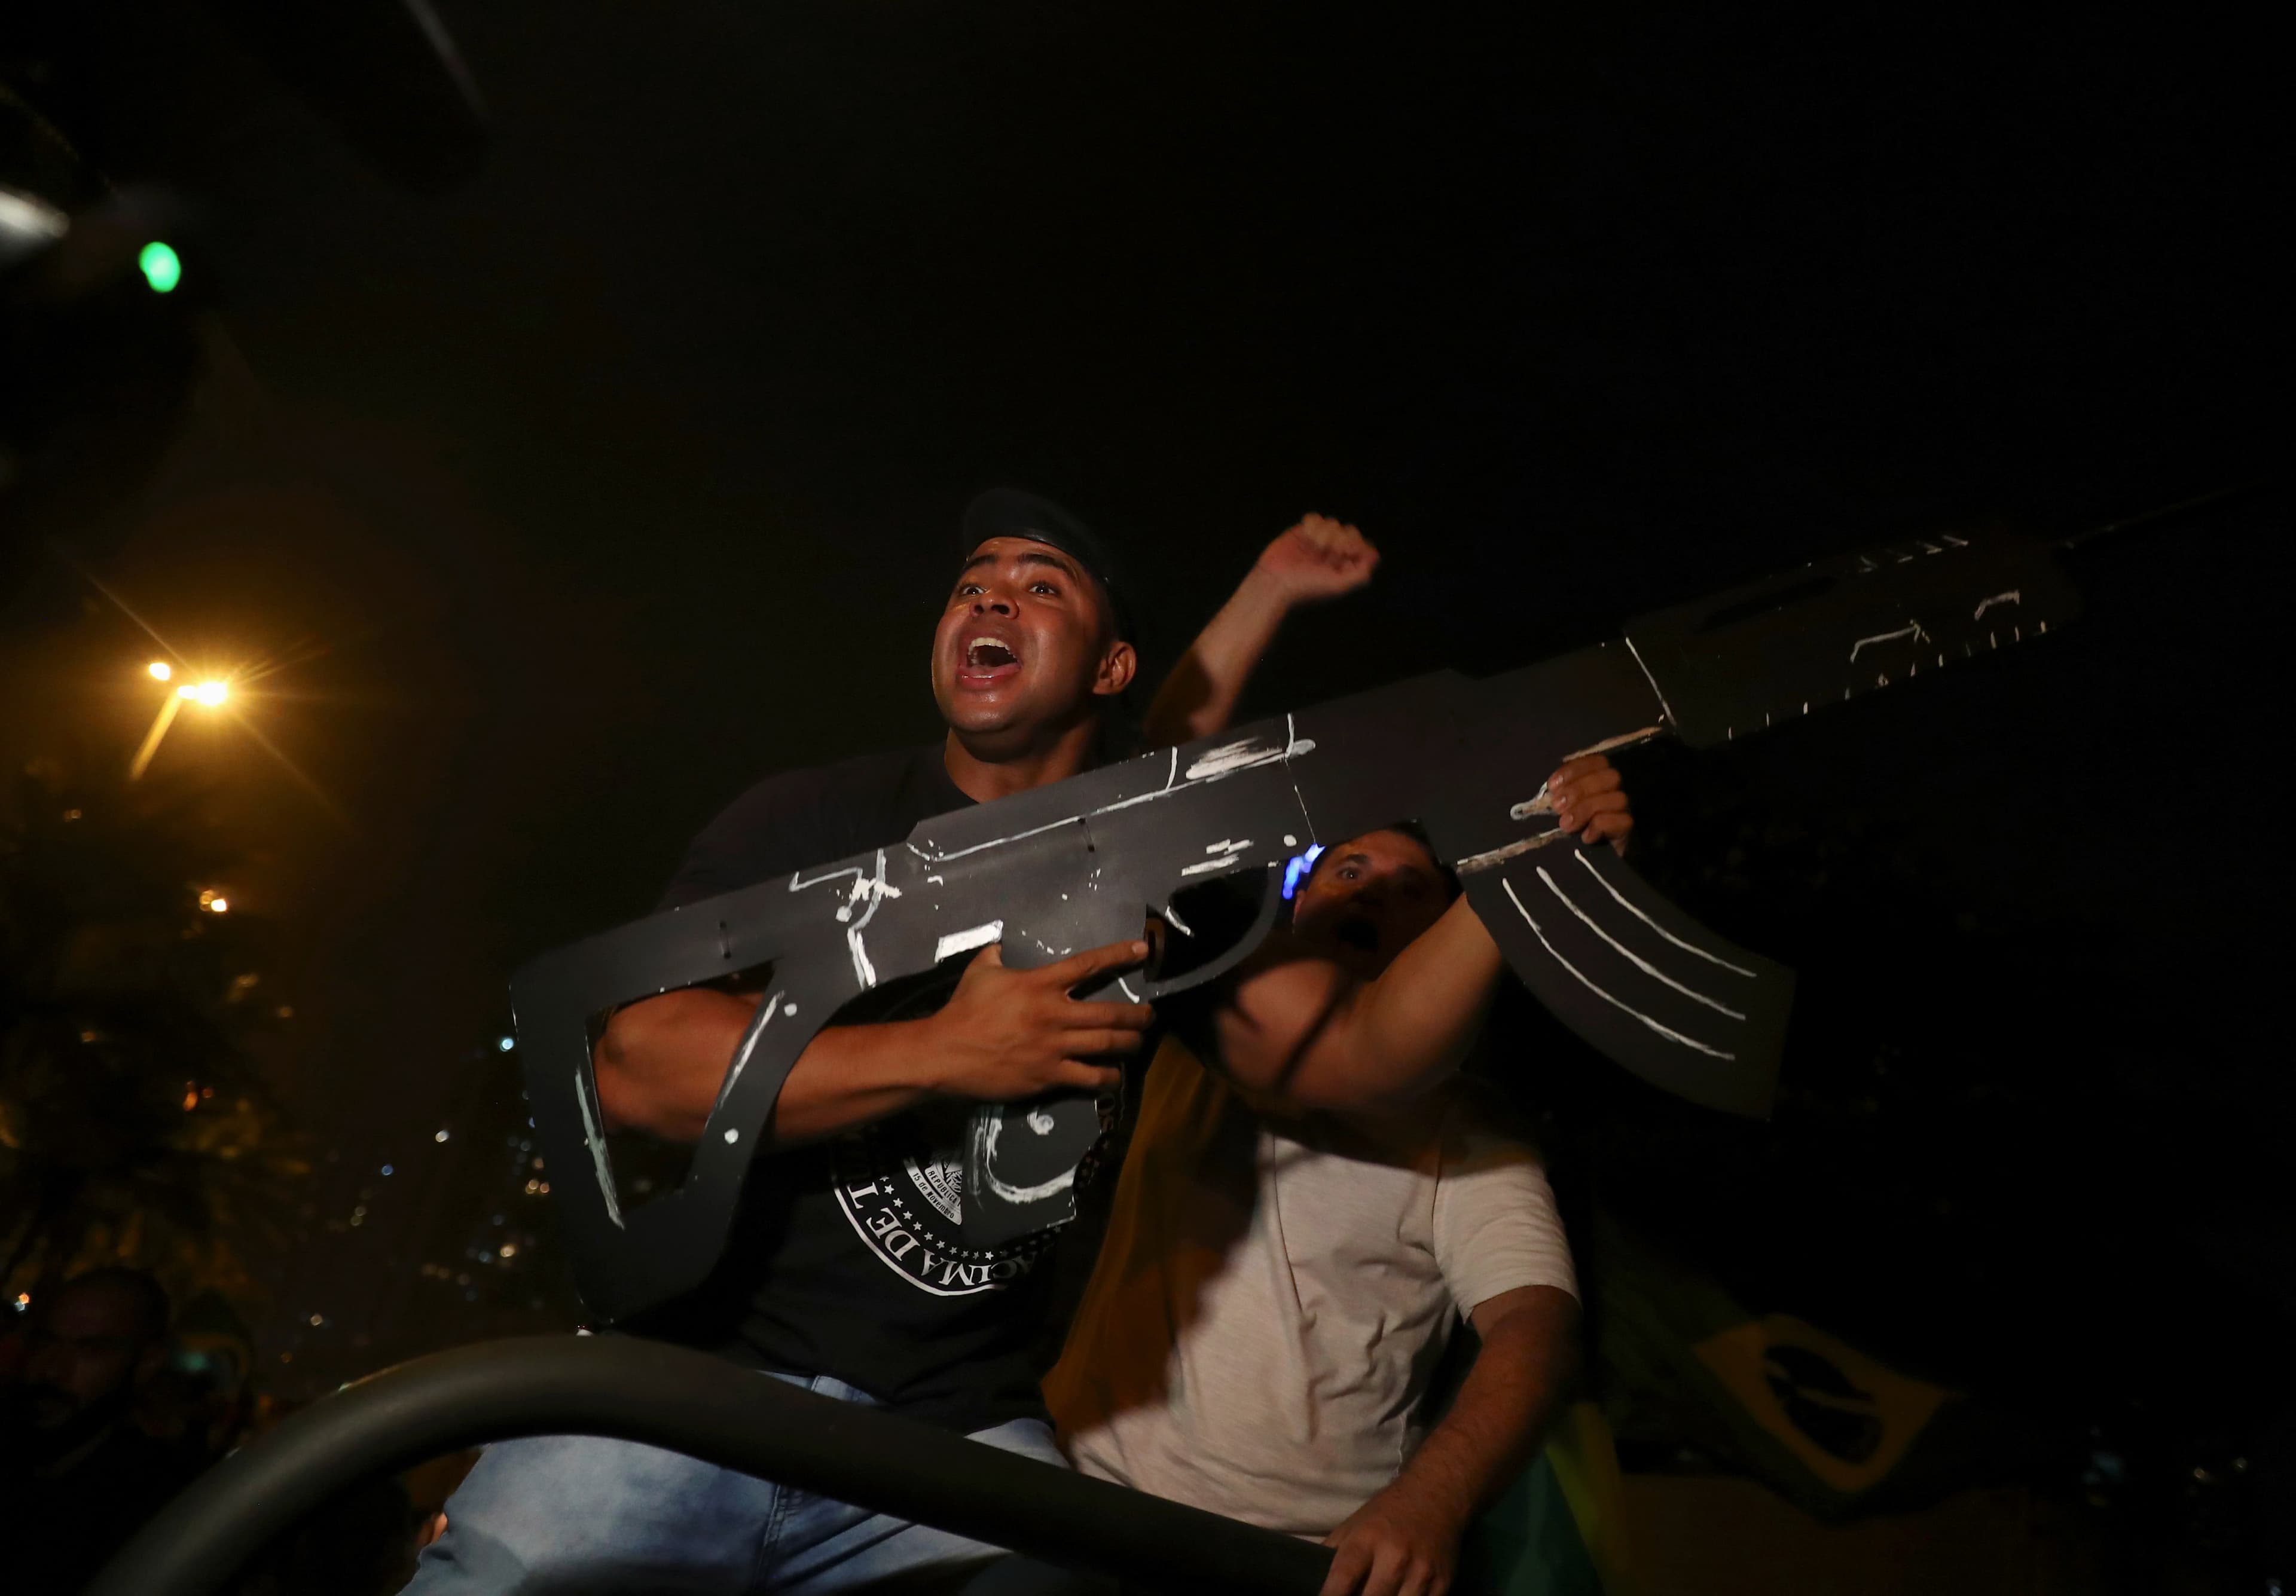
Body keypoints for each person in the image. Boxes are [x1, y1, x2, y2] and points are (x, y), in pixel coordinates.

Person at [407, 491, 1380, 1594]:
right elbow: (637, 1066)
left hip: (952, 1440)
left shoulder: (1158, 886)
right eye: (972, 584)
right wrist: (945, 1052)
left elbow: (1356, 1056)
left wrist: (1520, 862)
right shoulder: (812, 816)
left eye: (1038, 585)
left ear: (1110, 670)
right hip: (695, 1389)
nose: (989, 597)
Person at [1045, 559, 1631, 1596]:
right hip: (1079, 1508)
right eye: (1347, 867)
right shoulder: (1197, 1030)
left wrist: (1429, 1501)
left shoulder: (1465, 1136)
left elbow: (1536, 1331)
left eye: (1411, 889)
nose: (1372, 888)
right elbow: (1150, 790)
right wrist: (1267, 586)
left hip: (1290, 1560)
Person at [1, 1267, 201, 1595]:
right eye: (47, 1341)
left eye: (90, 1350)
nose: (51, 1369)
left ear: (146, 1363)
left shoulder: (154, 1512)